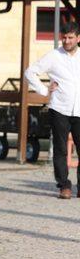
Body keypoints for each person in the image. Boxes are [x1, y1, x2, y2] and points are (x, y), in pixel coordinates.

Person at [25, 21, 80, 199]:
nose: (67, 41)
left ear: (78, 38)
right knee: (60, 149)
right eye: (64, 37)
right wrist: (44, 90)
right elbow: (29, 72)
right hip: (59, 109)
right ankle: (64, 186)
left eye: (70, 37)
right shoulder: (54, 56)